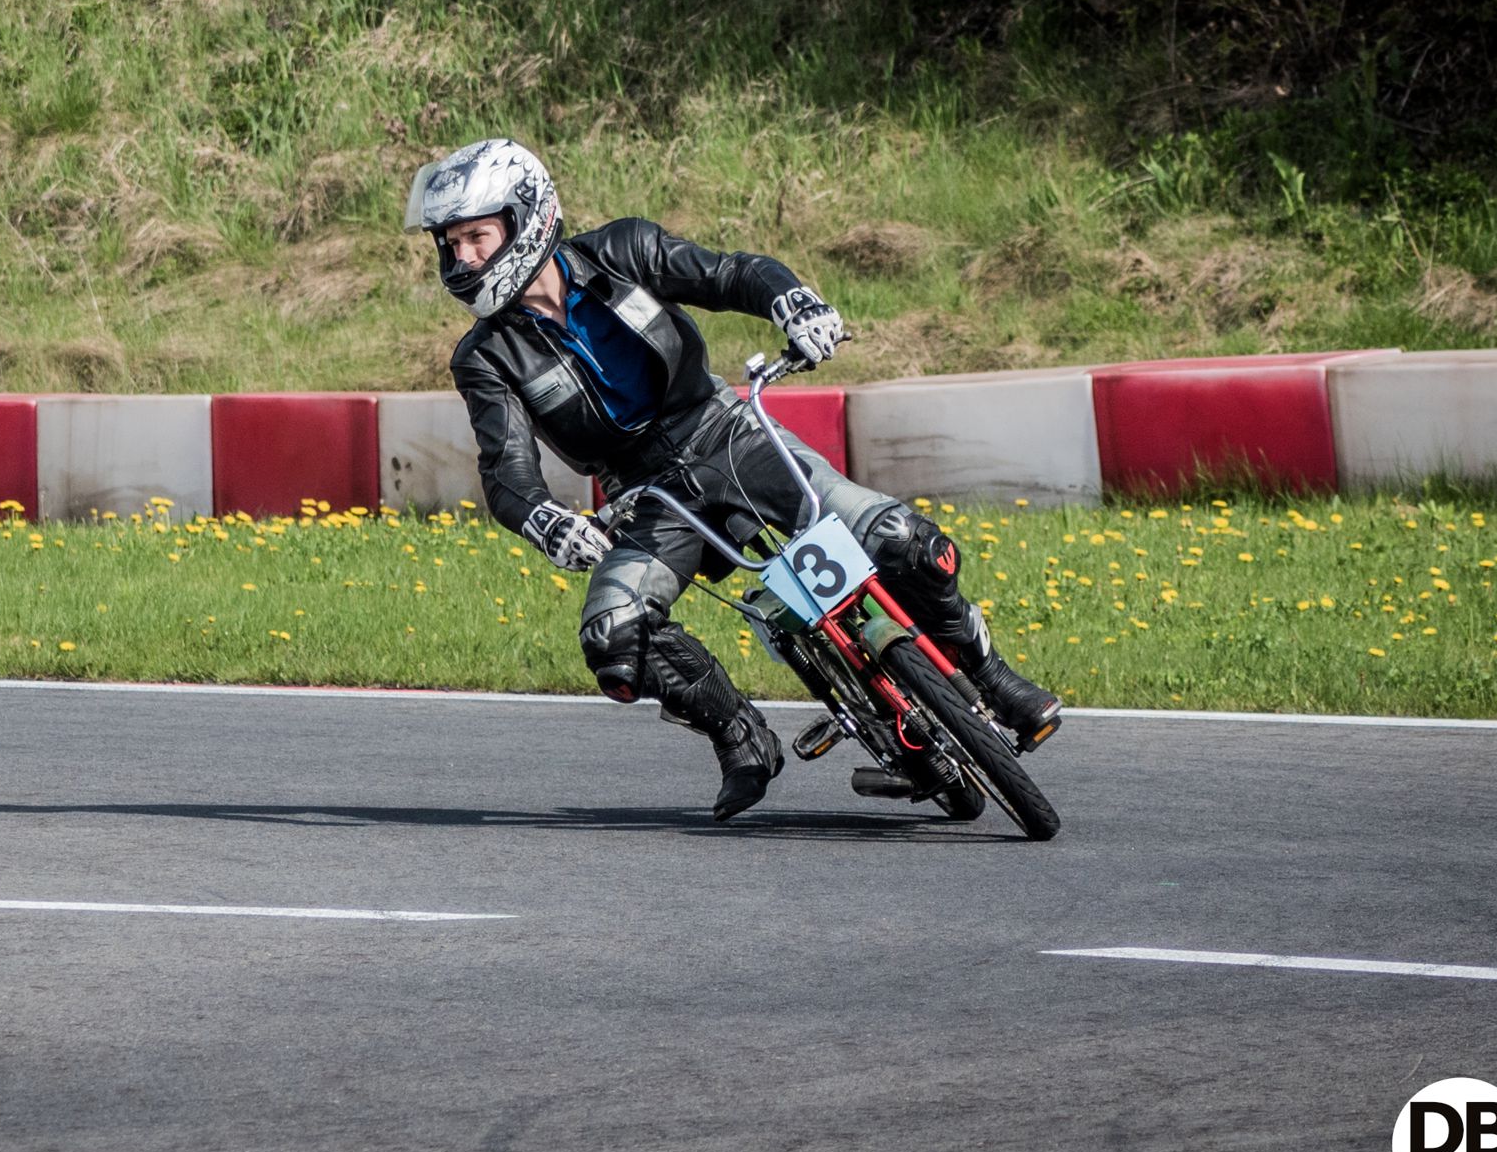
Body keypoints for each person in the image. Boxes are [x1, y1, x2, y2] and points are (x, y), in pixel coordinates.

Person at [411, 138, 1061, 822]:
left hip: (729, 434)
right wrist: (547, 521)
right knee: (611, 633)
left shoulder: (623, 250)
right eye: (452, 244)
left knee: (909, 543)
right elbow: (506, 470)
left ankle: (992, 676)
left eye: (478, 237)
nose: (464, 258)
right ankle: (739, 733)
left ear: (529, 217)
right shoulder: (484, 356)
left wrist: (793, 303)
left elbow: (731, 274)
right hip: (647, 494)